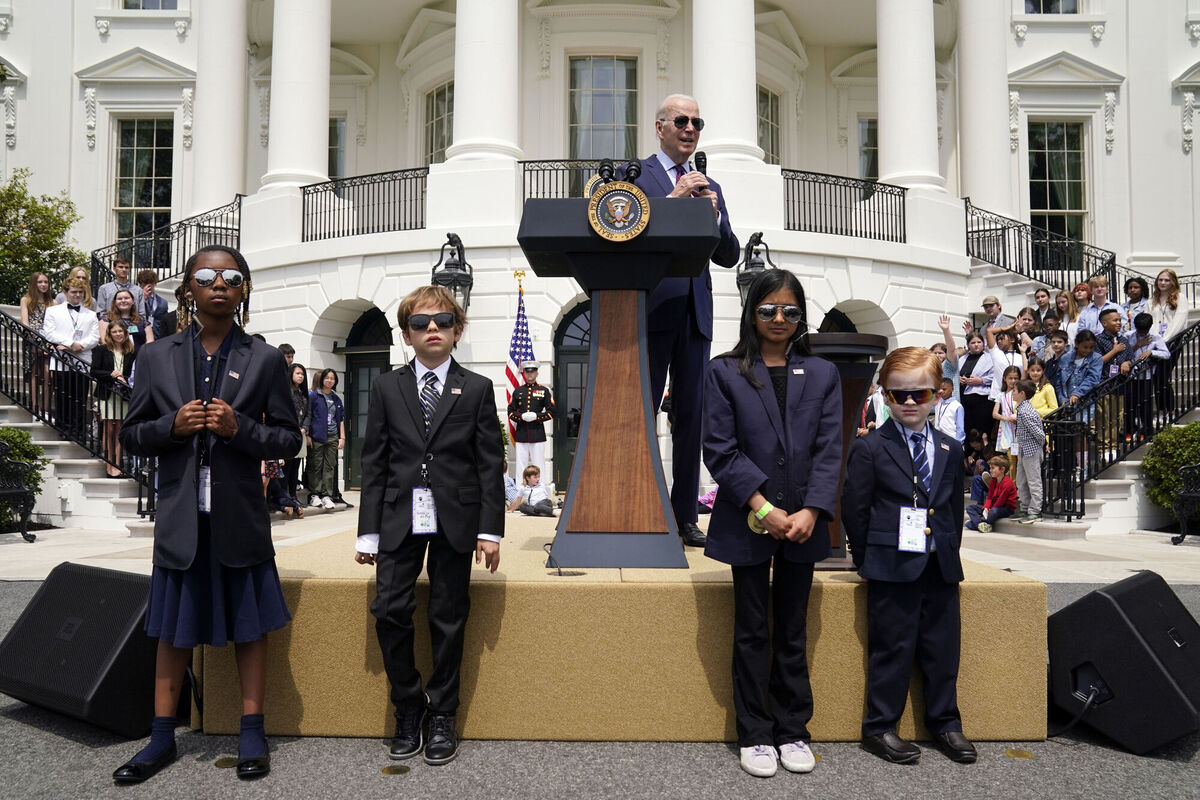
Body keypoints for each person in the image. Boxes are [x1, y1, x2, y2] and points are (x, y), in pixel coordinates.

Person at [113, 245, 300, 784]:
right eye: (206, 276)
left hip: (239, 516)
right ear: (188, 289)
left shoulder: (264, 359)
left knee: (250, 627)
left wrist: (238, 430)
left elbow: (288, 440)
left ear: (243, 290)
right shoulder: (155, 356)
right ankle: (161, 738)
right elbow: (130, 435)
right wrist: (174, 425)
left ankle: (251, 732)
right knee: (172, 630)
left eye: (231, 277)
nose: (219, 284)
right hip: (180, 518)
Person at [355, 285, 503, 767]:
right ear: (406, 334)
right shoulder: (385, 387)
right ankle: (408, 705)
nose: (431, 329)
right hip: (399, 517)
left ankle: (442, 714)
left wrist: (490, 530)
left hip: (456, 519)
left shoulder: (477, 389)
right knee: (390, 609)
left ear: (457, 331)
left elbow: (488, 465)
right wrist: (367, 531)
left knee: (447, 615)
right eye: (420, 323)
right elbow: (374, 462)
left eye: (441, 321)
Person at [702, 269, 841, 778]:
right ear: (752, 313)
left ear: (801, 316)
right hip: (751, 520)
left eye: (789, 311)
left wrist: (811, 510)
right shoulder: (725, 371)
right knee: (752, 629)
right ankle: (756, 733)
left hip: (804, 521)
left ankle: (793, 729)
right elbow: (720, 448)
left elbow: (830, 449)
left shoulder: (822, 373)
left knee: (793, 630)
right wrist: (763, 508)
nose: (778, 319)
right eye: (767, 310)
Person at [842, 347, 974, 766]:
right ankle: (880, 726)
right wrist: (867, 560)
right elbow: (856, 509)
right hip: (891, 566)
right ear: (884, 396)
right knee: (892, 648)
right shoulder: (870, 449)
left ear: (937, 394)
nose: (911, 402)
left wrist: (949, 551)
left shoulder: (951, 449)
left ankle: (946, 722)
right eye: (900, 395)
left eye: (920, 393)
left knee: (943, 647)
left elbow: (952, 509)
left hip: (939, 565)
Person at [630, 92, 740, 549]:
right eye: (681, 120)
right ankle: (638, 507)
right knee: (643, 411)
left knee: (692, 419)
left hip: (696, 313)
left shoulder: (708, 183)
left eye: (697, 121)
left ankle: (684, 515)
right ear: (660, 127)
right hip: (653, 309)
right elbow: (624, 235)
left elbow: (731, 255)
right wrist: (673, 202)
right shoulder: (635, 175)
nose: (690, 129)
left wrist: (713, 217)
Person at [41, 277, 100, 439]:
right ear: (65, 292)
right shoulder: (53, 311)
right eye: (74, 292)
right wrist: (69, 343)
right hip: (61, 360)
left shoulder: (91, 314)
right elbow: (49, 332)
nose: (77, 295)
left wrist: (79, 345)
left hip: (82, 361)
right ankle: (64, 429)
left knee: (80, 398)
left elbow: (95, 337)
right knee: (62, 396)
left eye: (80, 292)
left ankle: (79, 431)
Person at [91, 320, 136, 478]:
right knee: (109, 428)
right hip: (107, 394)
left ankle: (118, 464)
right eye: (115, 332)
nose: (118, 334)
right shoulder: (102, 350)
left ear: (125, 333)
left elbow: (132, 373)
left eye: (120, 331)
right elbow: (94, 371)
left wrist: (124, 378)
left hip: (122, 395)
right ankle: (108, 462)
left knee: (119, 429)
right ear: (109, 334)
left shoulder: (131, 351)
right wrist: (110, 375)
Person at [1121, 312, 1170, 439]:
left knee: (1145, 403)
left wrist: (1151, 351)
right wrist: (1138, 345)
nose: (1142, 333)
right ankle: (1130, 430)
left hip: (1146, 375)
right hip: (1131, 375)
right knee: (1129, 404)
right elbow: (1122, 354)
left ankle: (1147, 430)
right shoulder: (1128, 335)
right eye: (1139, 330)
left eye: (1144, 330)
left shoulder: (1155, 337)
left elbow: (1166, 354)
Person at [1150, 268, 1188, 423]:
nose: (1163, 283)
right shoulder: (1151, 300)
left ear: (1173, 282)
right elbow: (1150, 321)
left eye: (1166, 280)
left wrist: (1164, 340)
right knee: (1157, 378)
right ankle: (1161, 409)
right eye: (1161, 280)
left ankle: (1170, 410)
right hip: (1155, 343)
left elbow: (1179, 322)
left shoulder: (1180, 298)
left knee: (1162, 377)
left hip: (1172, 343)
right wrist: (1155, 341)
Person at [507, 360, 554, 478]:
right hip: (522, 432)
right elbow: (510, 412)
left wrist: (537, 416)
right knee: (521, 465)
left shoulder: (544, 390)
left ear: (537, 373)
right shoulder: (518, 391)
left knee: (539, 464)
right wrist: (521, 417)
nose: (530, 374)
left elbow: (552, 411)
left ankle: (540, 490)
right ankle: (520, 490)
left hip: (537, 433)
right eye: (527, 372)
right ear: (524, 374)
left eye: (532, 372)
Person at [305, 368, 344, 510]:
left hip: (333, 436)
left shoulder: (336, 398)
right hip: (317, 435)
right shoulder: (315, 396)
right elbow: (308, 415)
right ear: (322, 380)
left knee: (329, 466)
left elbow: (340, 419)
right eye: (327, 378)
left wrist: (342, 437)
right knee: (315, 465)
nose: (329, 380)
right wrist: (308, 434)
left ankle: (327, 495)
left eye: (332, 378)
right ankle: (314, 494)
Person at [1011, 380, 1047, 524]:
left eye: (1014, 390)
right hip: (1023, 450)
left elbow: (1039, 434)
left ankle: (1035, 511)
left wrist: (1041, 446)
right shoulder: (1022, 409)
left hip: (1032, 450)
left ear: (1022, 394)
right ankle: (1025, 508)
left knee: (1034, 481)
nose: (1012, 393)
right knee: (1021, 480)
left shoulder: (1026, 412)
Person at [20, 271, 56, 414]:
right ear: (34, 284)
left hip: (48, 341)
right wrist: (34, 340)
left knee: (48, 374)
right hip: (32, 340)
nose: (43, 285)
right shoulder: (26, 300)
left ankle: (46, 408)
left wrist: (49, 342)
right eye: (40, 282)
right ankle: (35, 406)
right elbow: (25, 322)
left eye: (45, 282)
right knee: (34, 373)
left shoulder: (53, 303)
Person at [957, 332, 993, 440]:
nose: (976, 345)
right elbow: (955, 373)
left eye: (979, 342)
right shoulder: (962, 358)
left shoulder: (990, 358)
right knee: (967, 429)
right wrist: (958, 379)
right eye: (973, 343)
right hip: (964, 398)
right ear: (968, 345)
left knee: (981, 430)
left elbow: (995, 376)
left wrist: (981, 380)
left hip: (981, 399)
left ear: (983, 344)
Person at [967, 455, 1017, 532]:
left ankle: (979, 523)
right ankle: (980, 525)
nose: (990, 470)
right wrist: (986, 508)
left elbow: (1001, 501)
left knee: (994, 512)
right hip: (993, 506)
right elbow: (989, 497)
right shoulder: (993, 480)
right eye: (990, 468)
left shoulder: (1008, 483)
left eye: (993, 468)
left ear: (1002, 469)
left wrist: (988, 512)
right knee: (970, 508)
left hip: (1006, 508)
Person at [284, 363, 310, 502]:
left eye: (302, 374)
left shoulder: (303, 392)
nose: (301, 376)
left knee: (296, 466)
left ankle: (293, 495)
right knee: (287, 465)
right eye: (298, 373)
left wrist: (304, 428)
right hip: (289, 433)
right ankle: (285, 494)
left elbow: (308, 413)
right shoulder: (286, 391)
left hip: (301, 434)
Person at [992, 365, 1022, 475]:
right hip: (1007, 429)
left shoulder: (1020, 393)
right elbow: (994, 414)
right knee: (1011, 461)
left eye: (1016, 378)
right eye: (1010, 378)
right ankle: (1013, 487)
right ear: (1005, 378)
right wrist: (1006, 418)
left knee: (1020, 461)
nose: (1013, 381)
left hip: (1019, 429)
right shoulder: (1001, 395)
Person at [932, 314, 959, 401]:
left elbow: (951, 349)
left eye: (940, 353)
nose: (937, 355)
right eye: (934, 353)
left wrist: (946, 330)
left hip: (950, 405)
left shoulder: (949, 364)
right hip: (935, 408)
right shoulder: (930, 368)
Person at [137, 269, 169, 340]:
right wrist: (143, 298)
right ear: (140, 284)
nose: (149, 286)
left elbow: (164, 322)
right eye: (145, 283)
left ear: (155, 283)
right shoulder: (135, 299)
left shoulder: (163, 302)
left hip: (157, 337)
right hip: (139, 336)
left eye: (151, 282)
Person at [933, 378, 965, 443]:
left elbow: (960, 429)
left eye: (944, 389)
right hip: (938, 439)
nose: (941, 391)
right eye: (940, 389)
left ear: (952, 389)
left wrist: (959, 444)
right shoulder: (937, 402)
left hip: (951, 440)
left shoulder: (957, 406)